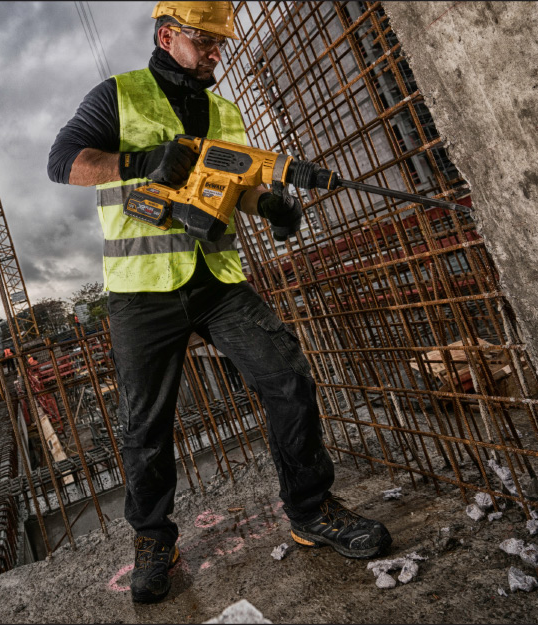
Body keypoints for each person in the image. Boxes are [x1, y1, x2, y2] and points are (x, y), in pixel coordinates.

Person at [48, 1, 392, 604]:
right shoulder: (118, 95)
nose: (216, 54)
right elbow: (64, 163)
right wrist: (138, 162)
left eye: (219, 44)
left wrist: (273, 205)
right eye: (204, 42)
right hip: (142, 290)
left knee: (286, 378)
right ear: (166, 36)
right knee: (144, 426)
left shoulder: (225, 111)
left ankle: (310, 509)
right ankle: (154, 540)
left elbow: (240, 187)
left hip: (216, 281)